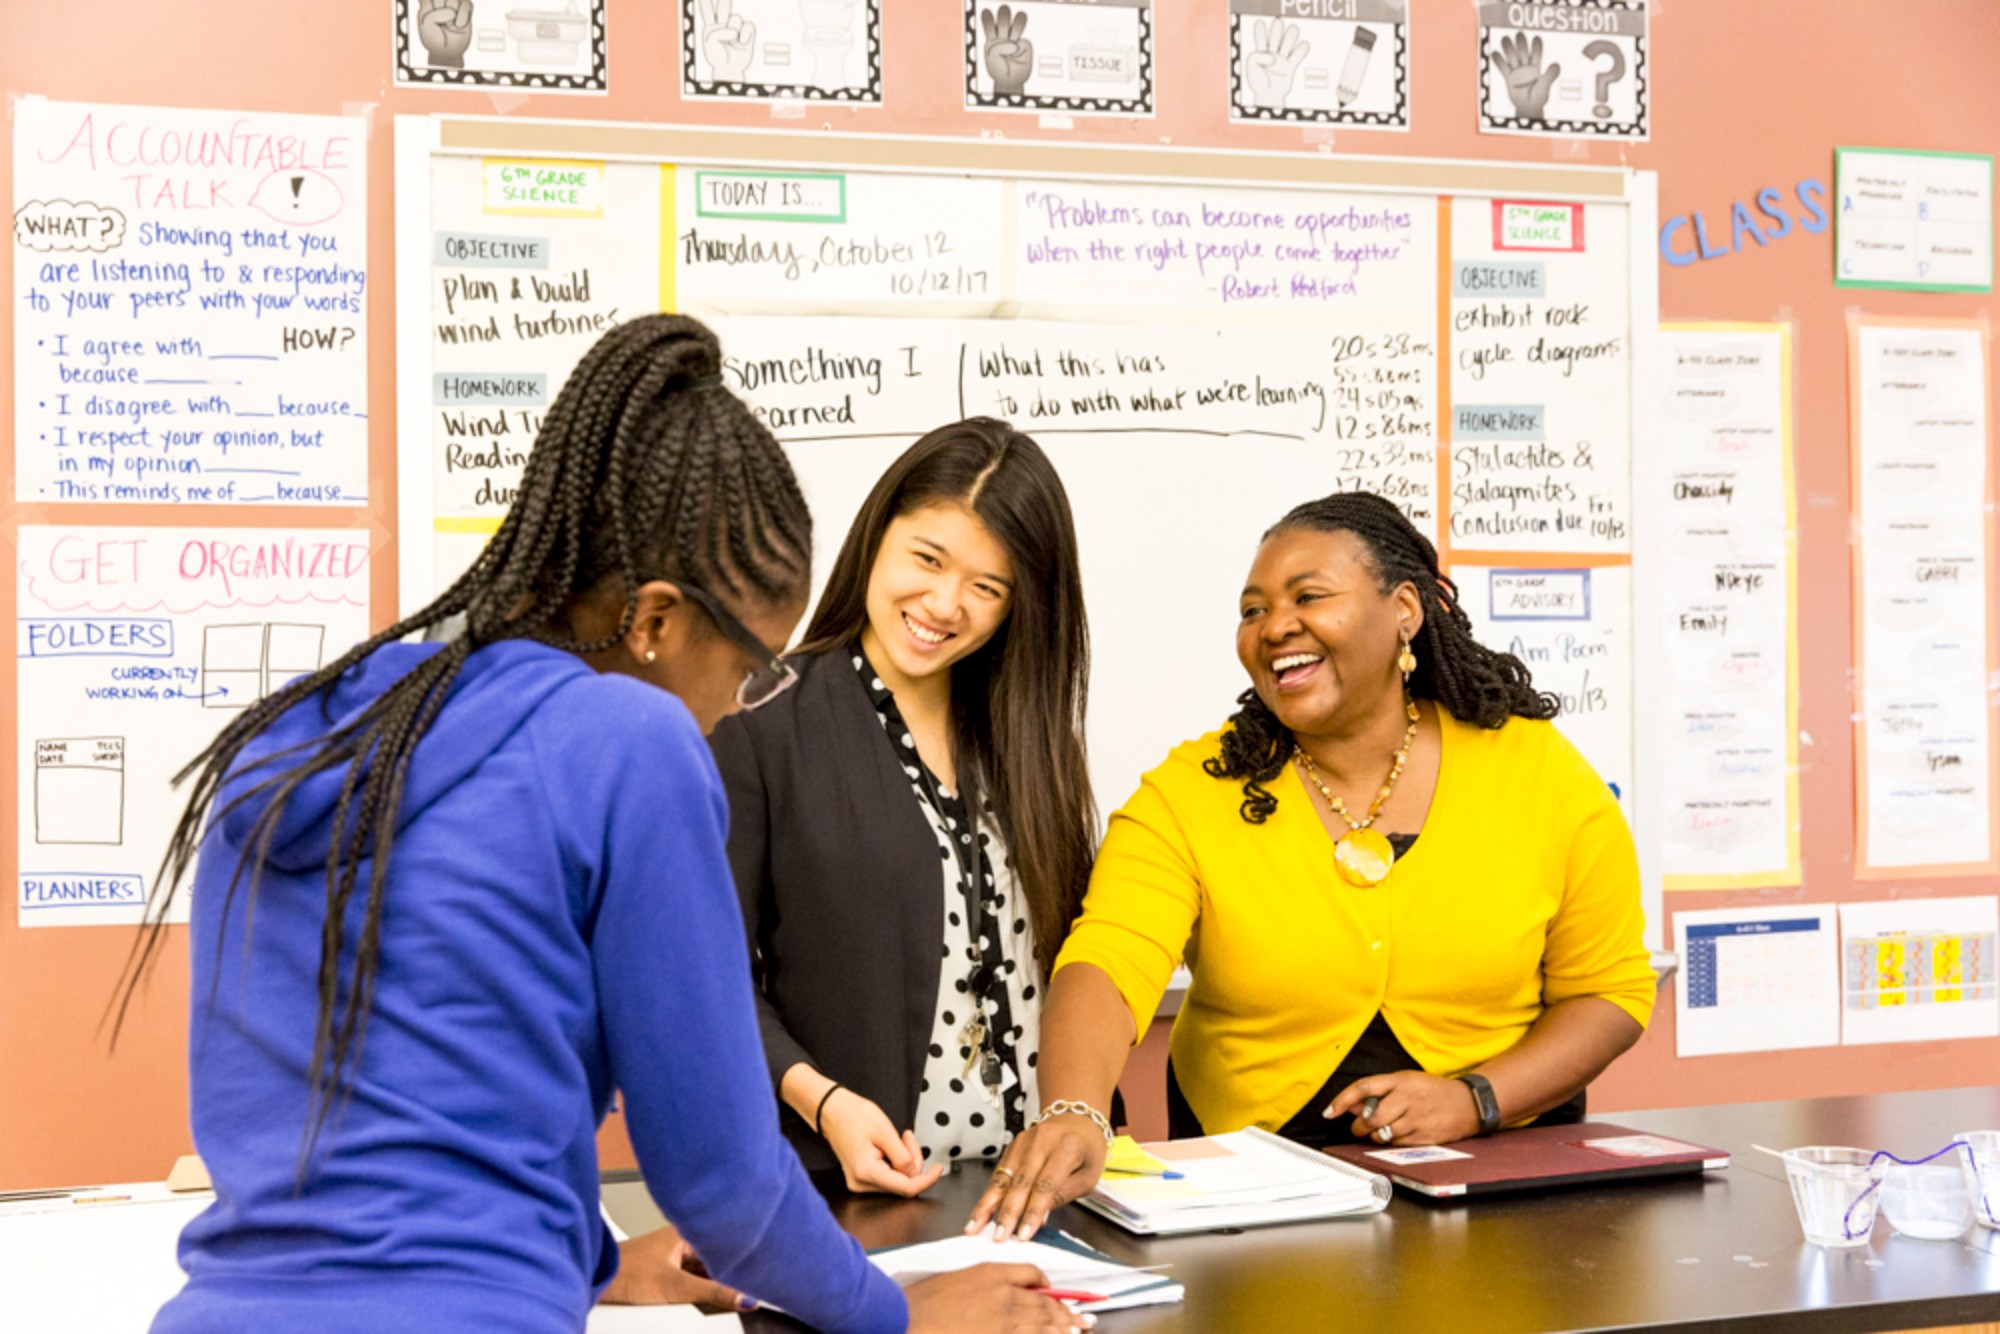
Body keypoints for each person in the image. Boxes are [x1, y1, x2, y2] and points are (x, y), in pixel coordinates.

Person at [127, 317, 1085, 1334]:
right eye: (752, 666)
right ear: (656, 621)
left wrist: (588, 1256)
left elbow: (343, 1133)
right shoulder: (629, 741)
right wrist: (896, 1313)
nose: (739, 704)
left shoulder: (300, 737)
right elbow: (720, 1179)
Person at [969, 491, 1656, 1240]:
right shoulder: (1191, 793)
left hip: (1504, 1190)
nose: (1274, 628)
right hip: (1262, 1208)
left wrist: (1475, 1098)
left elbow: (1609, 992)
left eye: (1309, 597)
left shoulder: (1541, 775)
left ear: (1404, 609)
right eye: (1253, 610)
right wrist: (1074, 1108)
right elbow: (1107, 959)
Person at [712, 419, 1095, 1197]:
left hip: (1039, 1197)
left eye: (987, 588)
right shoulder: (760, 717)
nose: (945, 603)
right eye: (928, 559)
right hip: (856, 1191)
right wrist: (822, 1102)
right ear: (877, 534)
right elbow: (707, 971)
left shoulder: (1027, 734)